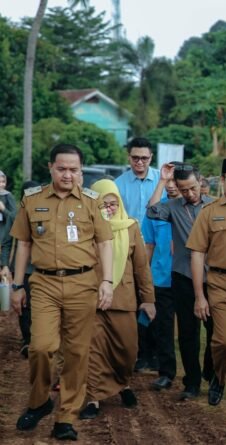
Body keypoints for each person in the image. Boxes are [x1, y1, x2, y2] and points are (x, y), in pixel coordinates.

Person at [9, 144, 114, 441]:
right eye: (62, 169)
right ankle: (39, 401)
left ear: (81, 171)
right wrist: (18, 285)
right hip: (44, 284)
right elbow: (24, 245)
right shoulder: (33, 200)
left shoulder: (93, 202)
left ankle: (65, 417)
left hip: (83, 284)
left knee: (77, 354)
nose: (68, 175)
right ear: (51, 167)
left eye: (74, 170)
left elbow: (105, 244)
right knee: (41, 347)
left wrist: (107, 282)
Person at [79, 180, 157, 419]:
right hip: (93, 298)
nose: (110, 209)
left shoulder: (131, 226)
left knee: (127, 350)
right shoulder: (86, 226)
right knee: (93, 350)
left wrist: (148, 299)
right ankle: (93, 398)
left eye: (113, 204)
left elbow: (142, 267)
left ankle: (123, 383)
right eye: (104, 204)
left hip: (124, 299)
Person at [186, 158, 226, 417]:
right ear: (223, 181)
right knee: (225, 341)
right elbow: (197, 254)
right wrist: (199, 296)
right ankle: (219, 377)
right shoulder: (209, 211)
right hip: (220, 284)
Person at [146, 162, 215, 401]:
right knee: (188, 333)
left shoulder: (214, 205)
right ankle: (192, 382)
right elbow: (151, 211)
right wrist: (163, 181)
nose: (190, 193)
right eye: (184, 189)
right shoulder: (173, 207)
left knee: (216, 331)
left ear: (200, 181)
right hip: (183, 275)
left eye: (193, 188)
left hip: (214, 276)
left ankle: (212, 373)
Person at [114, 137, 163, 372]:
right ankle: (138, 353)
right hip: (128, 251)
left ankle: (155, 354)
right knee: (133, 301)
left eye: (144, 158)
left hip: (158, 250)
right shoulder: (119, 184)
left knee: (155, 299)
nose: (140, 162)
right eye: (135, 158)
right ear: (128, 157)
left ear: (151, 158)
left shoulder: (162, 182)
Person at [143, 177, 180, 391]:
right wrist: (145, 277)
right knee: (163, 326)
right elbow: (149, 245)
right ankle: (166, 372)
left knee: (189, 328)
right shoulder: (157, 210)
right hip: (161, 276)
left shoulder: (194, 209)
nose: (172, 184)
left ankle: (196, 376)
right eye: (168, 181)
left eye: (176, 180)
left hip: (187, 276)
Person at [6, 181, 37, 358]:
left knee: (36, 306)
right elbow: (10, 242)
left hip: (40, 269)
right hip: (22, 269)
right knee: (24, 307)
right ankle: (28, 340)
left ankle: (35, 339)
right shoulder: (18, 215)